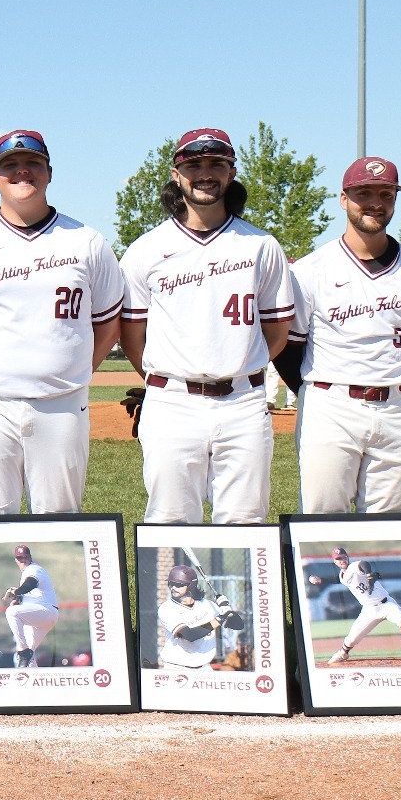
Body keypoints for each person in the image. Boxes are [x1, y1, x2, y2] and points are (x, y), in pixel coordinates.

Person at [0, 131, 124, 515]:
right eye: (9, 165)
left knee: (60, 522)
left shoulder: (87, 242)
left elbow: (109, 324)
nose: (21, 171)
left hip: (62, 404)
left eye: (32, 164)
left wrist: (70, 371)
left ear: (49, 173)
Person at [118, 128, 297, 523]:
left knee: (246, 522)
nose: (205, 173)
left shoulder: (260, 245)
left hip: (244, 403)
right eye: (194, 165)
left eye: (216, 164)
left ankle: (234, 590)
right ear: (176, 174)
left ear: (231, 173)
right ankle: (174, 589)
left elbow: (278, 329)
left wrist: (240, 363)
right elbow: (132, 335)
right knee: (169, 520)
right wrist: (165, 378)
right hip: (172, 403)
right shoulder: (146, 249)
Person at [274, 159, 401, 513]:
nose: (375, 202)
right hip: (329, 403)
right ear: (344, 199)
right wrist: (317, 390)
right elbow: (288, 349)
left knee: (391, 526)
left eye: (386, 193)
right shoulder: (310, 269)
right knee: (321, 518)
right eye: (363, 193)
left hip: (395, 406)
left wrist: (386, 378)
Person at [310, 546, 401, 666]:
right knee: (351, 639)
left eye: (344, 557)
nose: (342, 560)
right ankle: (343, 653)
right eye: (339, 558)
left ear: (347, 557)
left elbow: (363, 564)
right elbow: (338, 579)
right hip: (369, 610)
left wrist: (369, 573)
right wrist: (320, 580)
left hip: (386, 603)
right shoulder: (343, 576)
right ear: (335, 562)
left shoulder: (354, 566)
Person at [154, 565, 239, 670]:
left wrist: (227, 609)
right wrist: (220, 618)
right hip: (176, 668)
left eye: (178, 584)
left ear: (191, 585)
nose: (173, 588)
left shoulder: (208, 605)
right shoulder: (167, 608)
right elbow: (189, 635)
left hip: (204, 668)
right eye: (170, 583)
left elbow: (238, 625)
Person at [0, 544, 61, 669]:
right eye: (20, 558)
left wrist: (17, 592)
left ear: (30, 557)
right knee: (27, 659)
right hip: (38, 618)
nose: (23, 560)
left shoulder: (35, 569)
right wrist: (18, 600)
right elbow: (29, 592)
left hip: (46, 611)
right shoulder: (25, 573)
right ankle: (33, 682)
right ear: (16, 560)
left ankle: (23, 652)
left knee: (11, 612)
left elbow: (30, 584)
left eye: (25, 557)